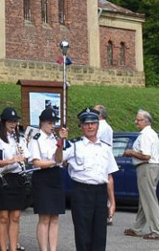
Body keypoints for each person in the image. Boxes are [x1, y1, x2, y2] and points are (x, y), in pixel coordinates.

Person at [61, 108, 118, 251]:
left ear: (98, 125)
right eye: (86, 124)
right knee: (83, 233)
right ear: (81, 126)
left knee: (100, 234)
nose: (90, 127)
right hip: (82, 191)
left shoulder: (105, 148)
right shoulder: (73, 145)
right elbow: (57, 160)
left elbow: (109, 176)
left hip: (100, 192)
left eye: (93, 123)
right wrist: (61, 141)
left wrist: (112, 202)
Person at [123, 109, 159, 241]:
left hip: (146, 167)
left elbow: (146, 156)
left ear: (146, 121)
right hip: (151, 167)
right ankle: (137, 228)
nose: (136, 122)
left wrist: (130, 152)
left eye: (138, 120)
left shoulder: (146, 135)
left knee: (149, 200)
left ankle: (157, 231)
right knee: (145, 199)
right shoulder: (151, 133)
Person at [0, 107, 29, 251]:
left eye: (15, 121)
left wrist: (22, 158)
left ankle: (13, 247)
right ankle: (3, 247)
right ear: (3, 122)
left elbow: (26, 156)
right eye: (10, 122)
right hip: (3, 177)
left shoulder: (19, 138)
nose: (13, 124)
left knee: (15, 216)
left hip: (17, 177)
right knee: (3, 216)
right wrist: (11, 160)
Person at [29, 108, 66, 251]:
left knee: (55, 216)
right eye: (50, 123)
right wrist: (53, 163)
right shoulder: (36, 139)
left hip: (55, 176)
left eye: (54, 123)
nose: (52, 126)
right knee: (44, 217)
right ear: (42, 123)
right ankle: (44, 249)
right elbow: (36, 163)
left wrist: (61, 141)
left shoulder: (54, 138)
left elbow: (59, 158)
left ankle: (53, 248)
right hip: (42, 177)